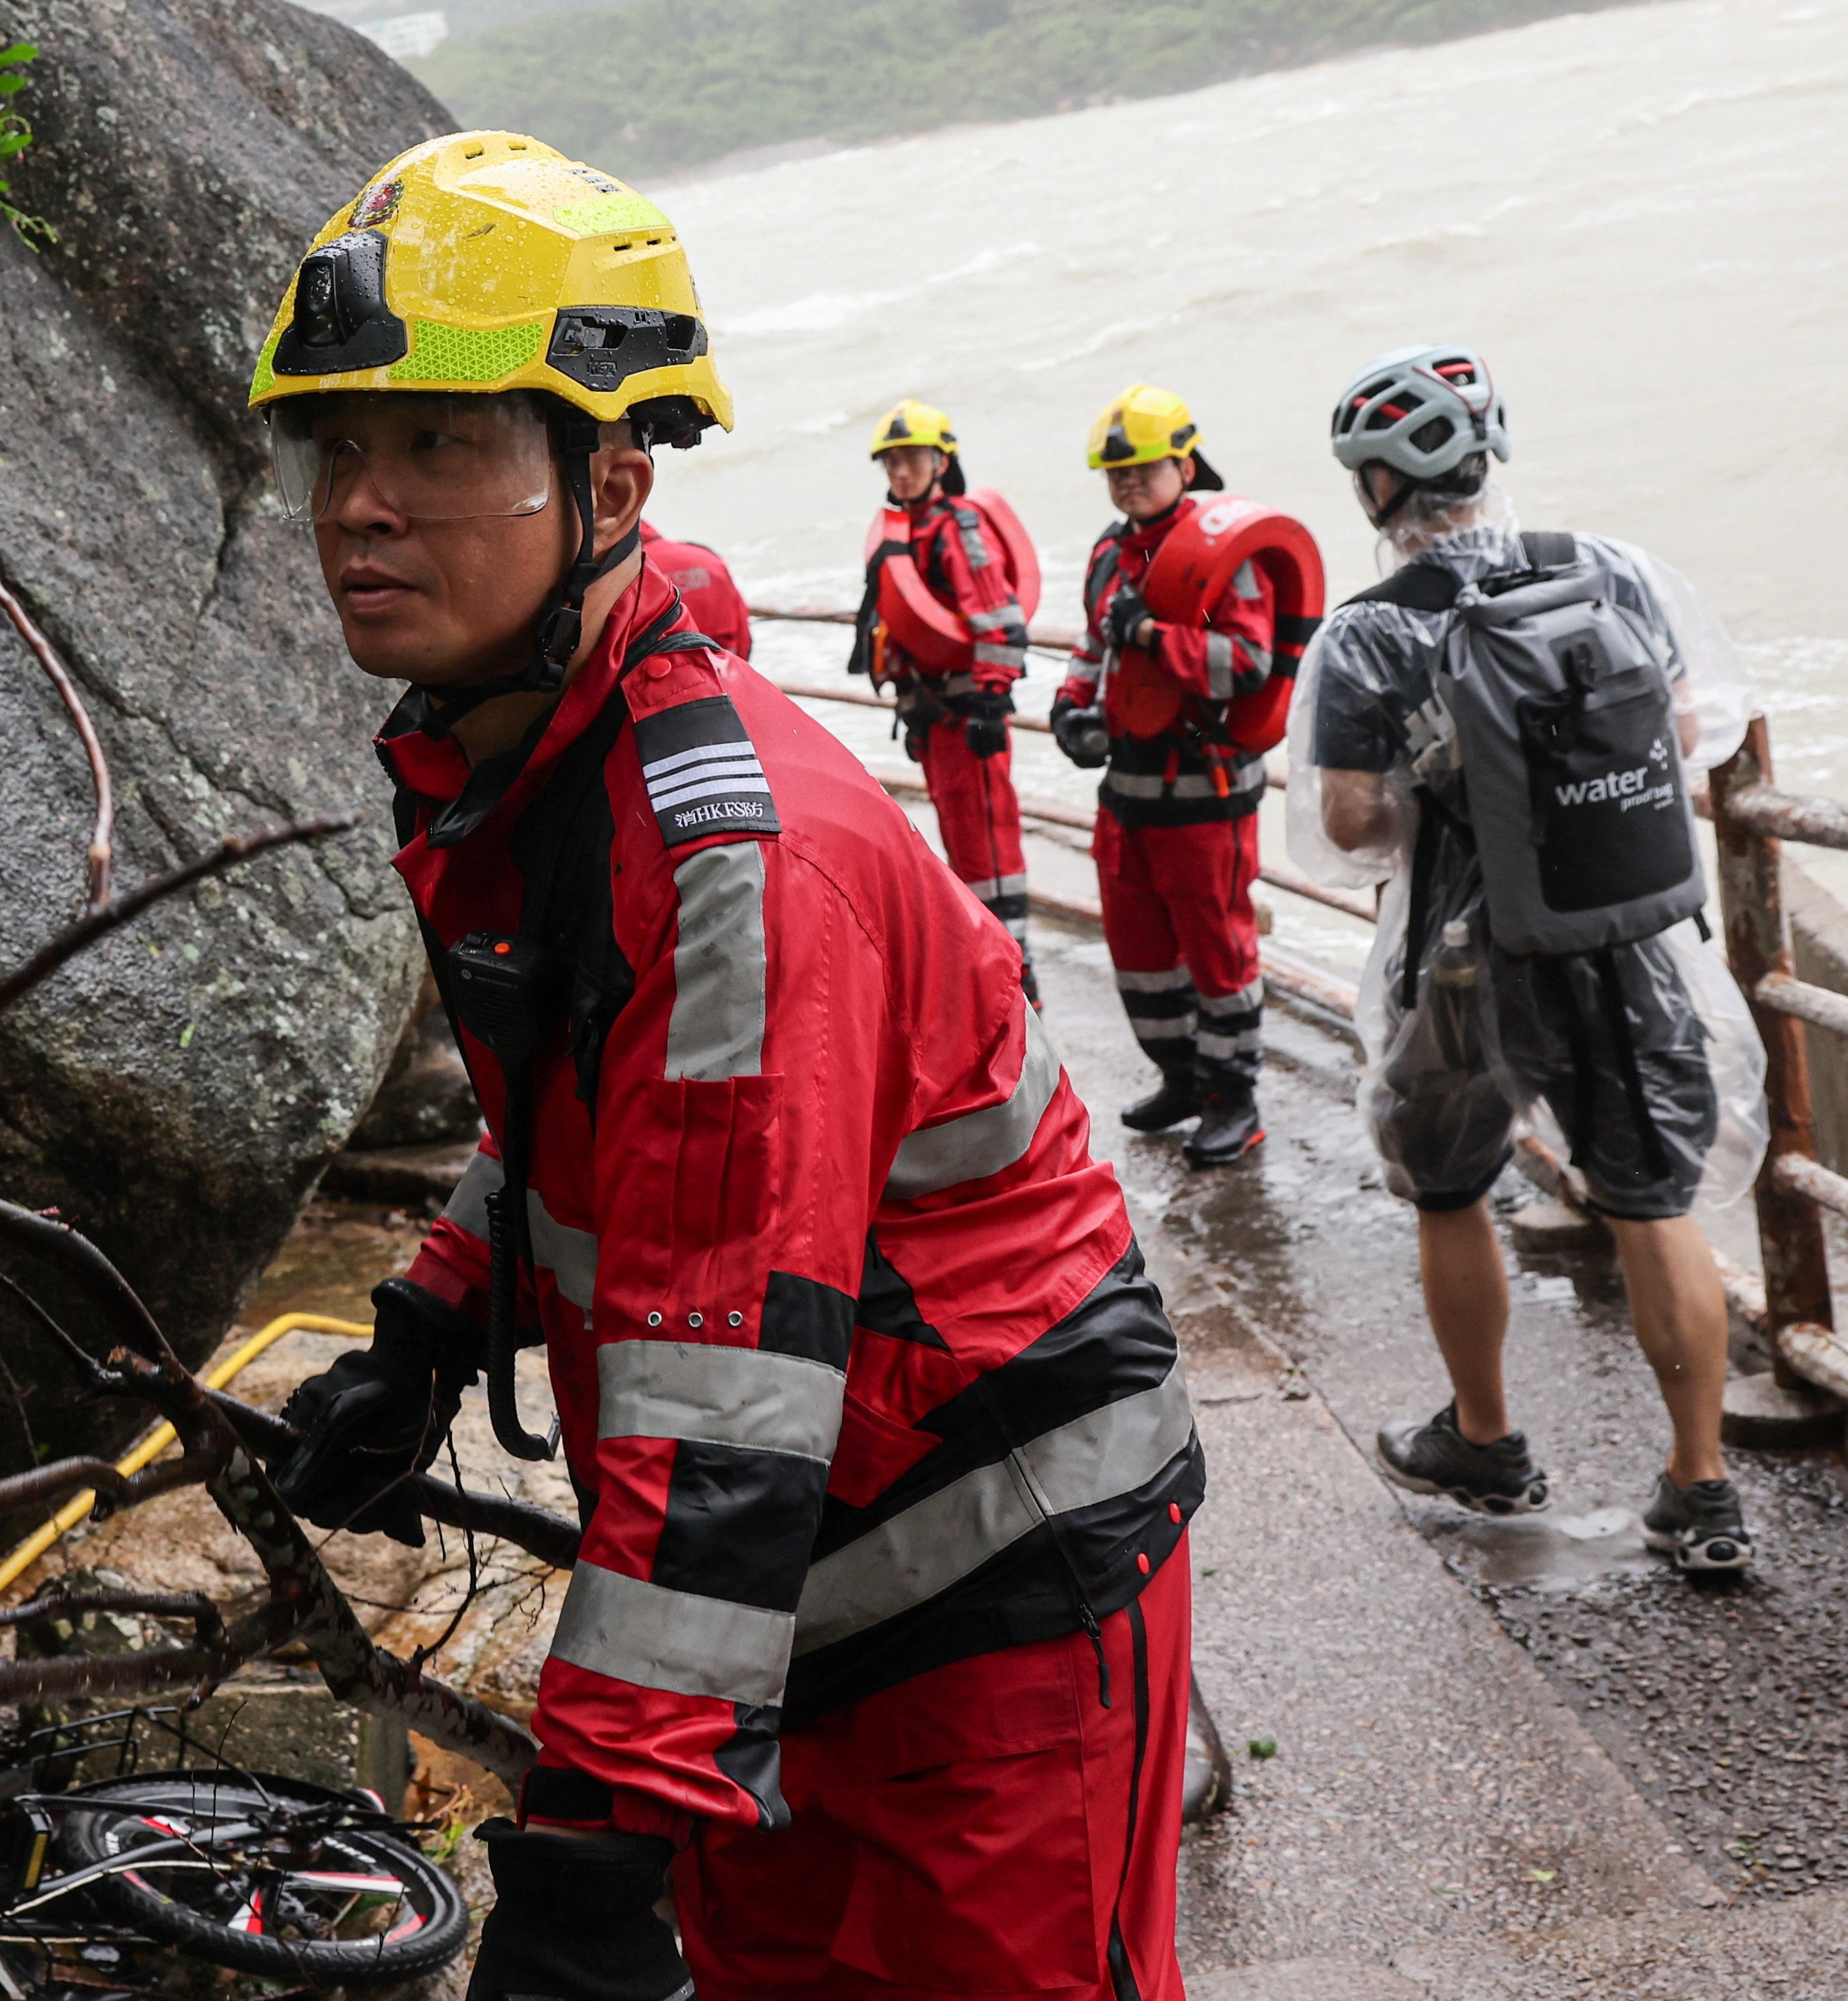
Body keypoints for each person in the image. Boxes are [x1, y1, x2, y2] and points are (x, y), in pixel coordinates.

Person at [256, 130, 1202, 2001]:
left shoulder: (729, 854)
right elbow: (605, 1124)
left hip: (985, 1591)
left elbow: (723, 1373)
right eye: (338, 445)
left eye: (439, 444)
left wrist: (600, 1836)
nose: (361, 504)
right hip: (783, 1601)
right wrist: (430, 1325)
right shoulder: (534, 758)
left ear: (608, 479)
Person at [1292, 345, 1767, 1572]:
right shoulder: (1602, 568)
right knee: (1652, 1204)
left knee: (1449, 1188)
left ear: (1376, 491)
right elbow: (1682, 729)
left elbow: (1344, 828)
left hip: (1463, 964)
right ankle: (1699, 1487)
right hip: (1625, 942)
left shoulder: (1365, 639)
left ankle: (1486, 1440)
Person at [1051, 385, 1281, 1168]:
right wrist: (1070, 706)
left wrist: (1150, 633)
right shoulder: (1107, 554)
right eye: (1114, 473)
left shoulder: (1225, 553)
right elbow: (1092, 648)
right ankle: (1181, 1079)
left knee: (1217, 956)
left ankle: (1233, 1100)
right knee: (1139, 952)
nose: (1126, 484)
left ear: (1183, 462)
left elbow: (1244, 664)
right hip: (1128, 792)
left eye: (1141, 469)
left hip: (1203, 793)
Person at [851, 400, 1039, 994]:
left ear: (941, 460)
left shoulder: (957, 528)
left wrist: (988, 705)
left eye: (911, 459)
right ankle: (989, 969)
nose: (901, 472)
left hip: (968, 721)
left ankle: (1014, 978)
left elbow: (1001, 622)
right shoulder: (913, 533)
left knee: (989, 852)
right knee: (964, 846)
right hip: (936, 720)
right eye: (892, 463)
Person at [639, 518, 753, 660]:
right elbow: (742, 624)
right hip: (723, 665)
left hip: (666, 672)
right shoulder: (706, 557)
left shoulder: (630, 570)